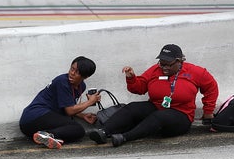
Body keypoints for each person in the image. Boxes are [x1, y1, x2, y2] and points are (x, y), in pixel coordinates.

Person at [89, 44, 219, 147]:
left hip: (181, 115)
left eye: (168, 64)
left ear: (179, 61)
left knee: (159, 116)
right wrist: (132, 78)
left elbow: (211, 88)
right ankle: (104, 132)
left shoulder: (195, 72)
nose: (163, 67)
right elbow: (139, 89)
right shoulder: (155, 70)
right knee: (133, 107)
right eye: (161, 63)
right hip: (157, 107)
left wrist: (208, 111)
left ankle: (124, 137)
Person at [19, 56, 101, 149]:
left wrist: (82, 115)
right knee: (77, 128)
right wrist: (90, 102)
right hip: (34, 117)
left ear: (85, 76)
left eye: (77, 72)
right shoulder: (62, 81)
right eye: (72, 69)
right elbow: (69, 111)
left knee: (78, 131)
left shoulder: (82, 86)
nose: (72, 73)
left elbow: (65, 106)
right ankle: (49, 135)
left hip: (35, 126)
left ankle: (45, 136)